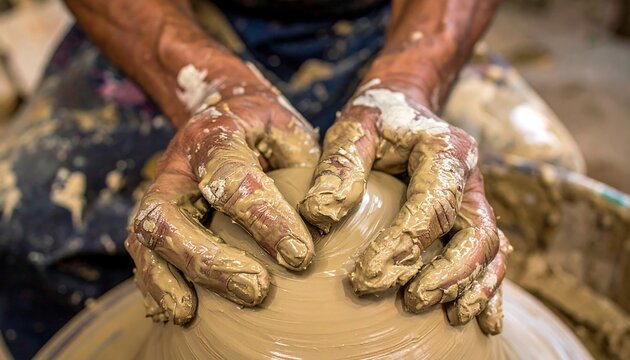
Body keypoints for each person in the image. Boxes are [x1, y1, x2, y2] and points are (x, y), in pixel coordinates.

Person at [0, 0, 510, 357]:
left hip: (398, 23)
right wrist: (205, 87)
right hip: (172, 19)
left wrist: (411, 82)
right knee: (24, 222)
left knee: (508, 191)